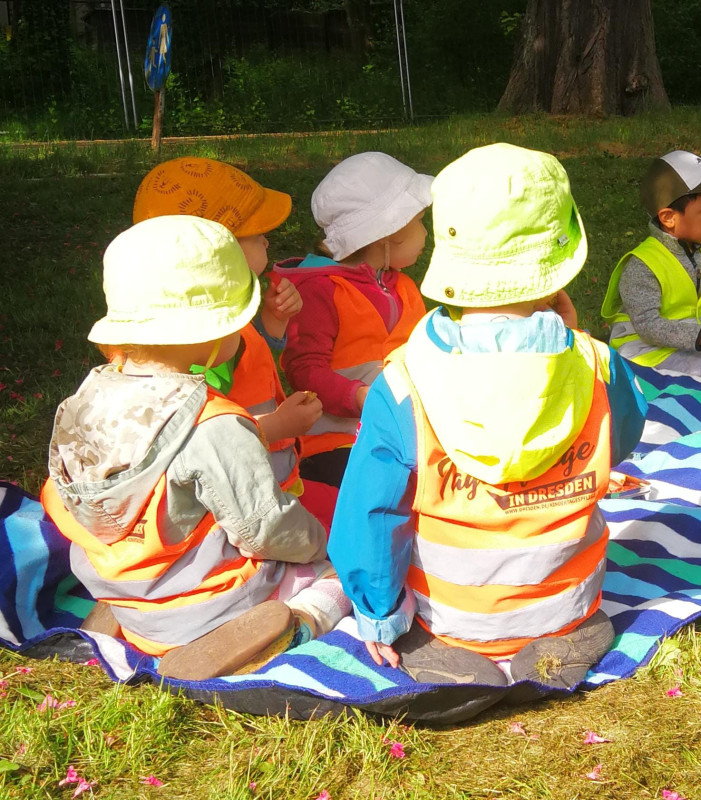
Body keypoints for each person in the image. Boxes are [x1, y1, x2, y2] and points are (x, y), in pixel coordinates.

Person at [328, 144, 647, 713]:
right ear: (561, 259)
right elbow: (621, 438)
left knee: (412, 596)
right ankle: (560, 636)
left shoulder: (405, 382)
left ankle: (448, 646)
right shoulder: (598, 365)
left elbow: (370, 514)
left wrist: (377, 613)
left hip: (451, 613)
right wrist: (573, 346)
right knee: (574, 619)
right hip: (565, 601)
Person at [41, 215, 350, 681]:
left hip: (125, 584)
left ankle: (121, 618)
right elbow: (265, 528)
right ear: (212, 334)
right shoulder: (213, 423)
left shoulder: (82, 402)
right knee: (345, 571)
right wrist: (320, 544)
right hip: (210, 599)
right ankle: (290, 629)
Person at [133, 157, 335, 530]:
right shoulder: (198, 341)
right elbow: (200, 436)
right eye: (257, 235)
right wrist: (278, 425)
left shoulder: (215, 317)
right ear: (218, 250)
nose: (267, 240)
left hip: (272, 482)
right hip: (246, 505)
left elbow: (245, 369)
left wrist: (272, 324)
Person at [275, 152, 433, 488]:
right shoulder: (320, 290)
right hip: (340, 442)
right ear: (385, 234)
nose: (425, 233)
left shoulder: (401, 285)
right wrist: (358, 396)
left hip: (407, 430)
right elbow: (304, 368)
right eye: (418, 221)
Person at [602, 150, 701, 375]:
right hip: (645, 351)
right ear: (668, 218)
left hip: (686, 342)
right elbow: (648, 325)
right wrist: (697, 337)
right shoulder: (643, 265)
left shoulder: (695, 250)